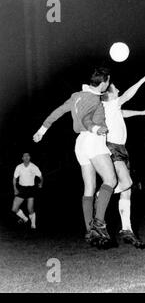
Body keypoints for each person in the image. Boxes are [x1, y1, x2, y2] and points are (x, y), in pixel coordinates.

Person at [33, 67, 117, 248]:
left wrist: (42, 130)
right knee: (110, 179)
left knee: (89, 187)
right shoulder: (94, 98)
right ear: (103, 83)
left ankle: (90, 231)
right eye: (108, 82)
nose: (108, 85)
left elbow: (58, 111)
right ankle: (99, 224)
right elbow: (87, 119)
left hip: (80, 143)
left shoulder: (76, 95)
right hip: (93, 139)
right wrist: (96, 128)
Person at [97, 73, 145, 248]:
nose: (119, 90)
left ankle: (127, 228)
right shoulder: (108, 103)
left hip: (121, 148)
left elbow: (123, 113)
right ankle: (101, 195)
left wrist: (142, 112)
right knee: (127, 183)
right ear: (110, 94)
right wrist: (143, 80)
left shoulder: (111, 107)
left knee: (126, 190)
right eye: (116, 89)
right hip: (113, 148)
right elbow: (127, 95)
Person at [12, 153, 43, 229]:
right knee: (14, 209)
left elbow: (40, 176)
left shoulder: (33, 167)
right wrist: (15, 188)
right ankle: (25, 219)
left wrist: (41, 183)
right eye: (24, 156)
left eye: (28, 156)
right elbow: (14, 178)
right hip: (22, 189)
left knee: (30, 209)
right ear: (22, 158)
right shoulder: (19, 167)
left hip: (31, 189)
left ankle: (33, 225)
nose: (26, 157)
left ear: (30, 157)